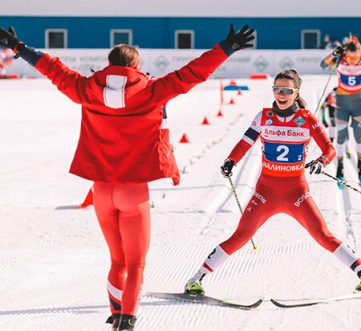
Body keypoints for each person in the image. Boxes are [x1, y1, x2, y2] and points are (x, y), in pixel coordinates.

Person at [0, 24, 254, 330]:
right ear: (136, 66)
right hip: (133, 191)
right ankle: (127, 320)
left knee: (117, 262)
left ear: (109, 64)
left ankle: (116, 314)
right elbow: (192, 73)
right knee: (135, 264)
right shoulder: (151, 90)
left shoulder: (86, 88)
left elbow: (54, 69)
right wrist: (226, 48)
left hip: (101, 191)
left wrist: (18, 48)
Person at [184, 69, 361, 297]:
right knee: (241, 235)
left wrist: (321, 161)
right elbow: (245, 142)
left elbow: (329, 149)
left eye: (286, 90)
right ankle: (195, 279)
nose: (281, 94)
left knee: (322, 234)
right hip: (265, 192)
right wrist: (230, 161)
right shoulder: (263, 116)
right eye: (277, 89)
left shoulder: (307, 119)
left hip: (296, 192)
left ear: (296, 92)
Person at [319, 40, 361, 189]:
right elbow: (323, 65)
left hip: (358, 104)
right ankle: (340, 169)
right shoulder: (340, 59)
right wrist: (334, 53)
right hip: (341, 104)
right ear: (345, 54)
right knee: (341, 137)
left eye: (356, 58)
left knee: (358, 137)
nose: (353, 61)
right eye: (350, 58)